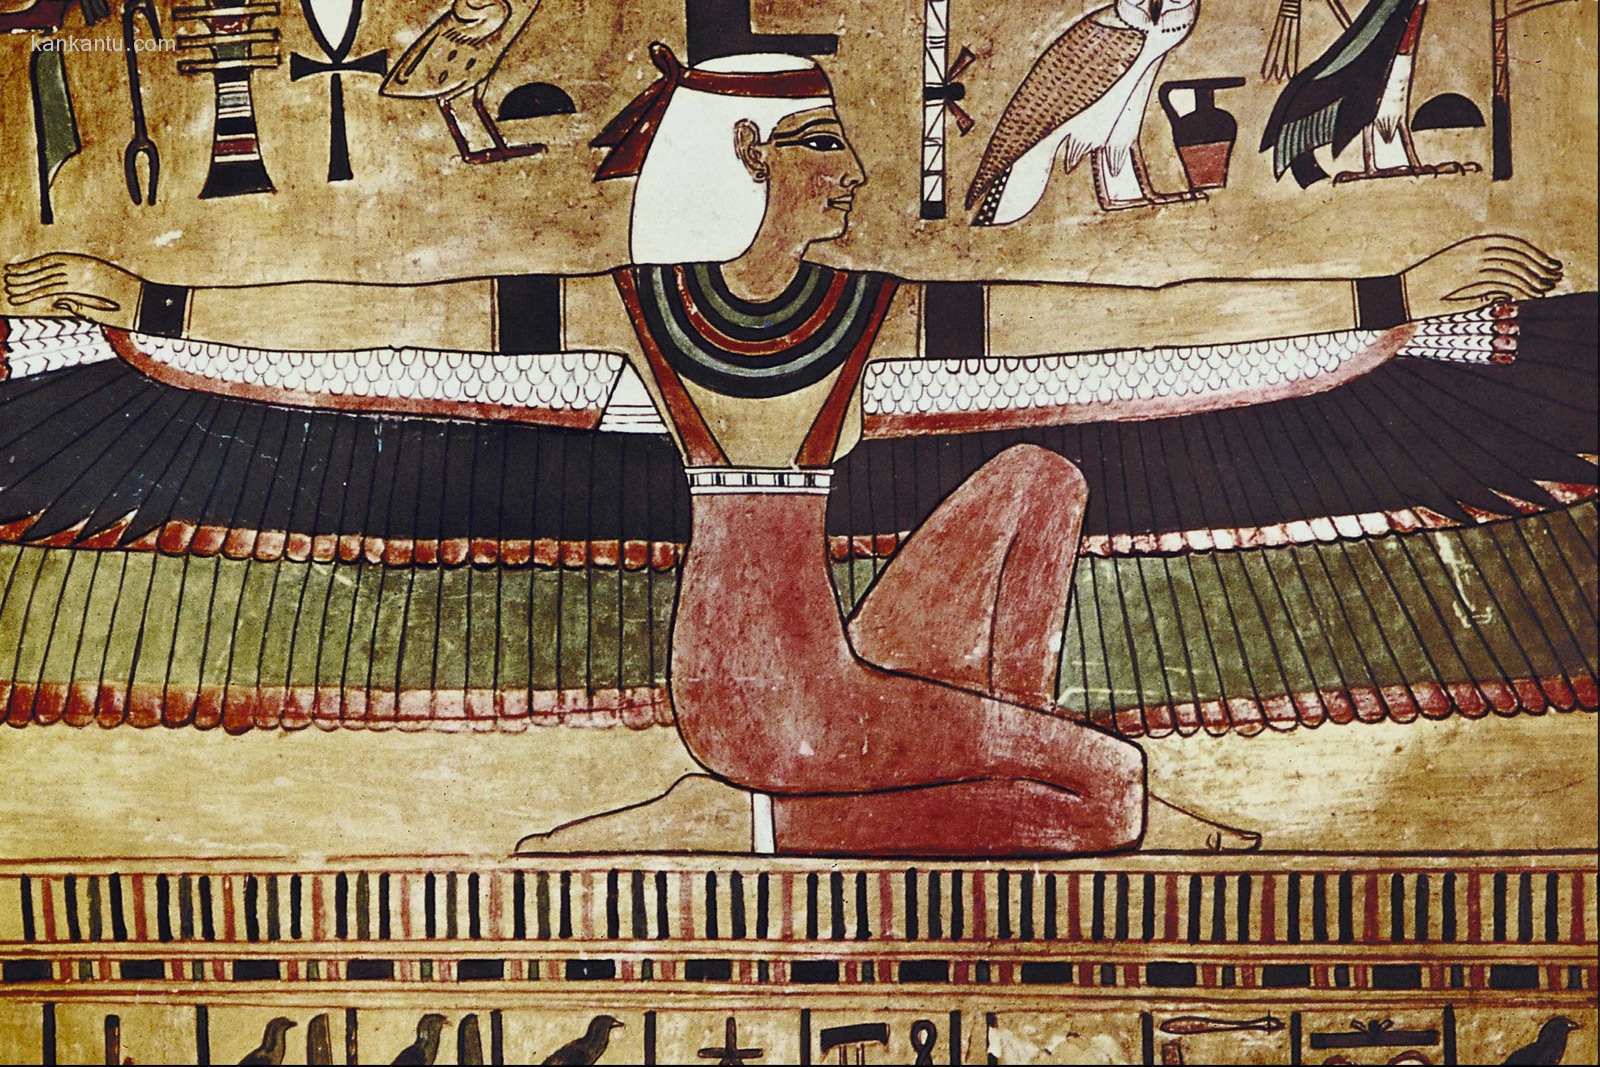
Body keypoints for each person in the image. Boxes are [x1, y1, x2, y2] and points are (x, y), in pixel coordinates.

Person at [3, 44, 1563, 857]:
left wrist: (1390, 307)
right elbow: (374, 332)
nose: (852, 169)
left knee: (1043, 477)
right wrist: (150, 310)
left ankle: (850, 797)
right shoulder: (627, 321)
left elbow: (1124, 320)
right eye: (824, 144)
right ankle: (794, 803)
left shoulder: (872, 318)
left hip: (836, 676)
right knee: (1109, 787)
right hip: (762, 702)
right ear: (745, 156)